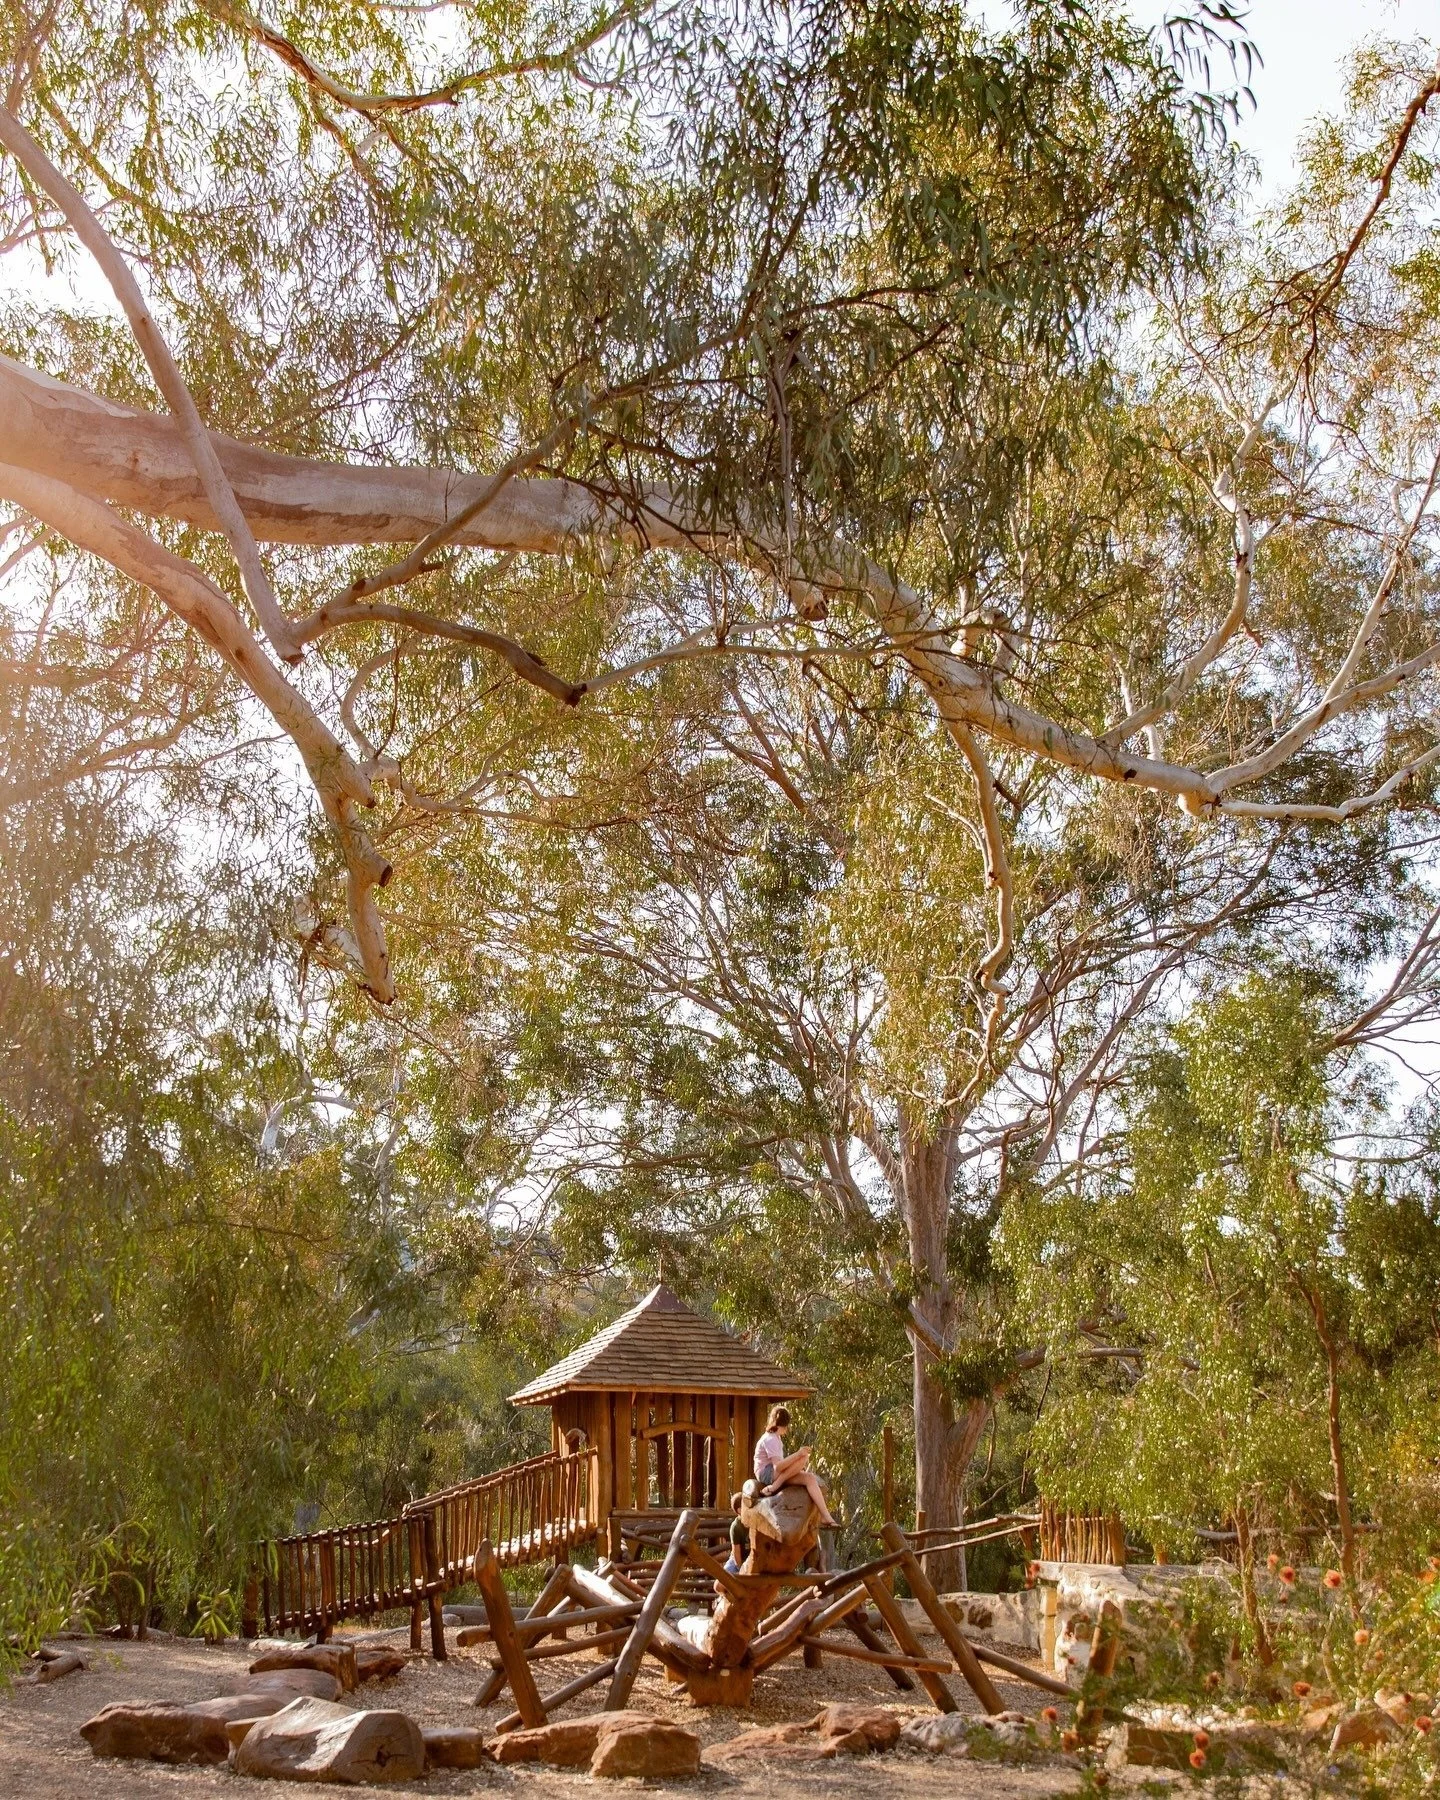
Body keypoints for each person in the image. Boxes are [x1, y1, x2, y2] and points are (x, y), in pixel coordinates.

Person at [752, 1404, 838, 1528]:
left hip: (776, 1473)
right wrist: (797, 1454)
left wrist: (796, 1464)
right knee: (802, 1457)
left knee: (809, 1478)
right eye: (786, 1426)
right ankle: (776, 1485)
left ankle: (825, 1516)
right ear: (781, 1425)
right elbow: (778, 1467)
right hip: (766, 1473)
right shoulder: (770, 1439)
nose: (786, 1430)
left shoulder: (776, 1438)